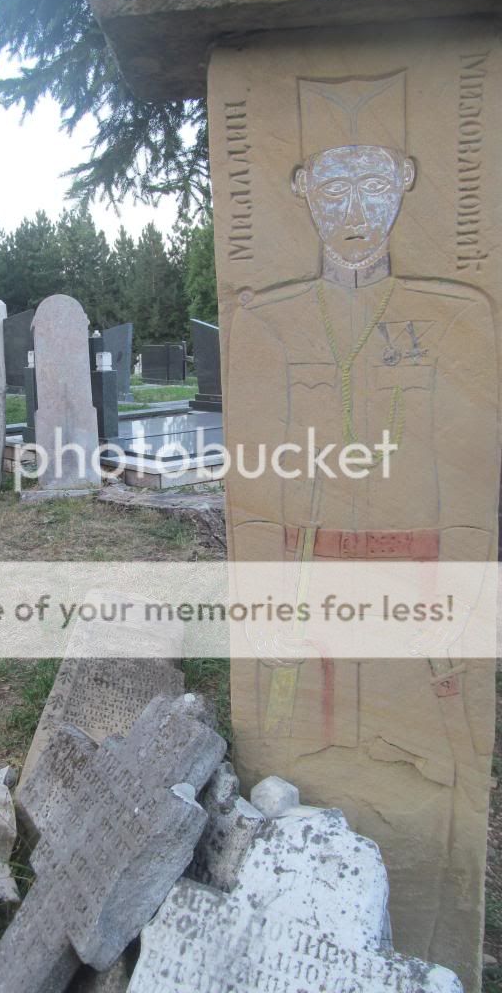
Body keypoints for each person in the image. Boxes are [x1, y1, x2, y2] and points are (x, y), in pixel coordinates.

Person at [228, 71, 498, 989]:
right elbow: (254, 489)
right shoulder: (266, 319)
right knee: (298, 783)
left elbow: (468, 491)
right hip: (307, 607)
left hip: (412, 602)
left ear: (408, 181)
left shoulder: (456, 315)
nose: (354, 211)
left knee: (425, 786)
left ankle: (425, 952)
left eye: (375, 183)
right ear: (300, 186)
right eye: (334, 186)